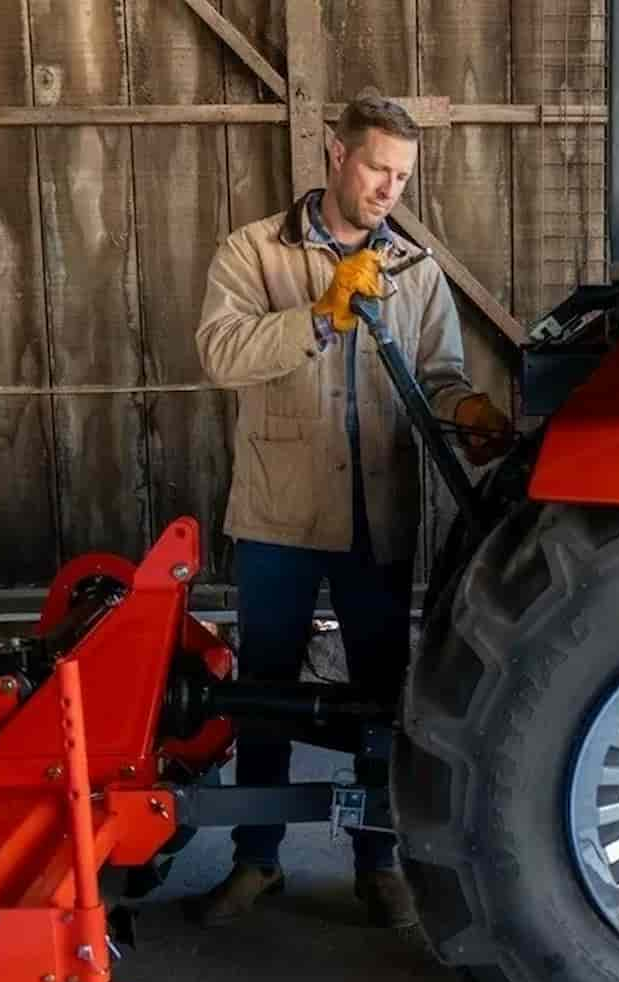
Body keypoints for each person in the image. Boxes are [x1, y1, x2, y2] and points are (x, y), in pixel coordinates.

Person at [189, 88, 509, 929]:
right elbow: (220, 351)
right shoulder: (255, 251)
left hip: (379, 516)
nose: (387, 189)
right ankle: (256, 860)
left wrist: (468, 411)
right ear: (335, 155)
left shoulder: (416, 270)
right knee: (263, 688)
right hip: (279, 514)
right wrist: (320, 316)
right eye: (376, 167)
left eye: (401, 176)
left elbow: (438, 377)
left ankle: (377, 863)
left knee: (380, 696)